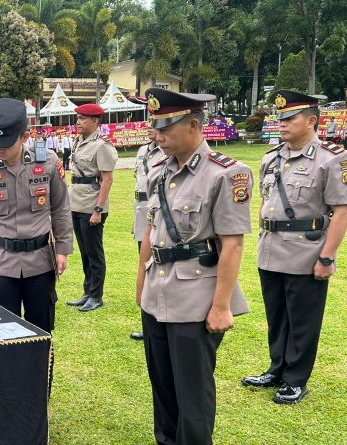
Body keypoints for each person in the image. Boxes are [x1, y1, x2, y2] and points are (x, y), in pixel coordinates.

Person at [135, 88, 252, 445]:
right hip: (156, 294)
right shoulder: (158, 171)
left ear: (194, 125)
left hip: (195, 298)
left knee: (193, 394)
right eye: (155, 128)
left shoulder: (225, 174)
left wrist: (221, 306)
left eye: (165, 128)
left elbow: (232, 245)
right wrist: (140, 288)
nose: (157, 136)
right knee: (162, 387)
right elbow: (150, 233)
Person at [242, 90, 347, 404]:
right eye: (281, 118)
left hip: (306, 251)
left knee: (303, 321)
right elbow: (265, 202)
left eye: (290, 118)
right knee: (277, 317)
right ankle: (276, 369)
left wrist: (327, 257)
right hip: (271, 249)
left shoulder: (331, 159)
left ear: (312, 121)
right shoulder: (271, 158)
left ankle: (296, 379)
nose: (282, 123)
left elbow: (341, 210)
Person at [0, 98, 73, 333]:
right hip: (2, 263)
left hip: (41, 262)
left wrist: (62, 249)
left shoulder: (48, 162)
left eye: (6, 144)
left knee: (40, 331)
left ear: (24, 137)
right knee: (4, 333)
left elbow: (60, 207)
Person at [65, 103, 117, 312]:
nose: (78, 122)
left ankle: (96, 296)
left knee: (94, 254)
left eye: (82, 119)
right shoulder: (79, 141)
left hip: (92, 206)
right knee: (85, 253)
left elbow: (107, 180)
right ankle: (87, 292)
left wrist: (98, 210)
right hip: (76, 202)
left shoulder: (102, 145)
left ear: (95, 121)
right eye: (78, 118)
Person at [130, 121, 162, 341]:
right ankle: (149, 322)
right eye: (148, 122)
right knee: (146, 268)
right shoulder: (143, 150)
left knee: (159, 268)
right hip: (143, 213)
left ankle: (159, 319)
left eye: (155, 123)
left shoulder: (168, 151)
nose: (149, 126)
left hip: (159, 214)